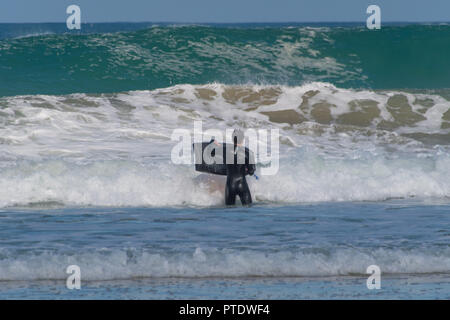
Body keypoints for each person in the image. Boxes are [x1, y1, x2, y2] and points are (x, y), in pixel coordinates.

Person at [223, 129, 256, 206]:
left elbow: (210, 152)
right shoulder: (248, 153)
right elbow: (251, 172)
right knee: (248, 209)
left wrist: (213, 143)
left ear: (232, 139)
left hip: (230, 185)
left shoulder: (224, 150)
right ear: (243, 139)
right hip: (242, 184)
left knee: (229, 210)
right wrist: (246, 170)